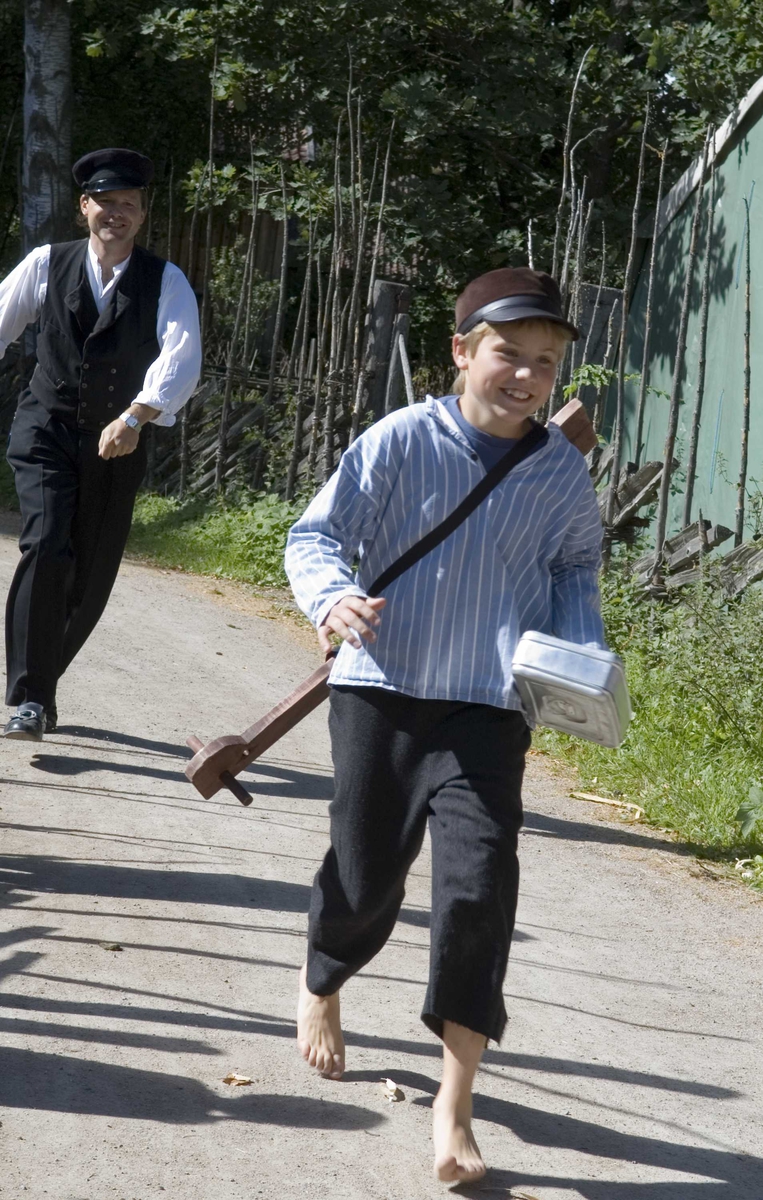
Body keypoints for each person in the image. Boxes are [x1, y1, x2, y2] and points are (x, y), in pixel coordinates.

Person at [284, 267, 606, 1183]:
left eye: (544, 363)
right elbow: (313, 536)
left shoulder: (558, 472)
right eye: (508, 354)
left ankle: (453, 1107)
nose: (525, 376)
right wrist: (332, 597)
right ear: (463, 352)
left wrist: (576, 661)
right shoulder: (398, 441)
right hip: (381, 692)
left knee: (477, 892)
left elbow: (574, 569)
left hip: (488, 710)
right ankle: (322, 980)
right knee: (364, 871)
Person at [0, 148, 201, 740]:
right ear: (84, 206)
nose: (117, 213)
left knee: (89, 575)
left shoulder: (165, 280)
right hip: (46, 428)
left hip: (119, 441)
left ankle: (43, 686)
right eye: (106, 202)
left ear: (142, 215)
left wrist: (137, 415)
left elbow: (182, 354)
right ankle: (30, 697)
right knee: (46, 545)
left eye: (128, 205)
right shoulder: (46, 263)